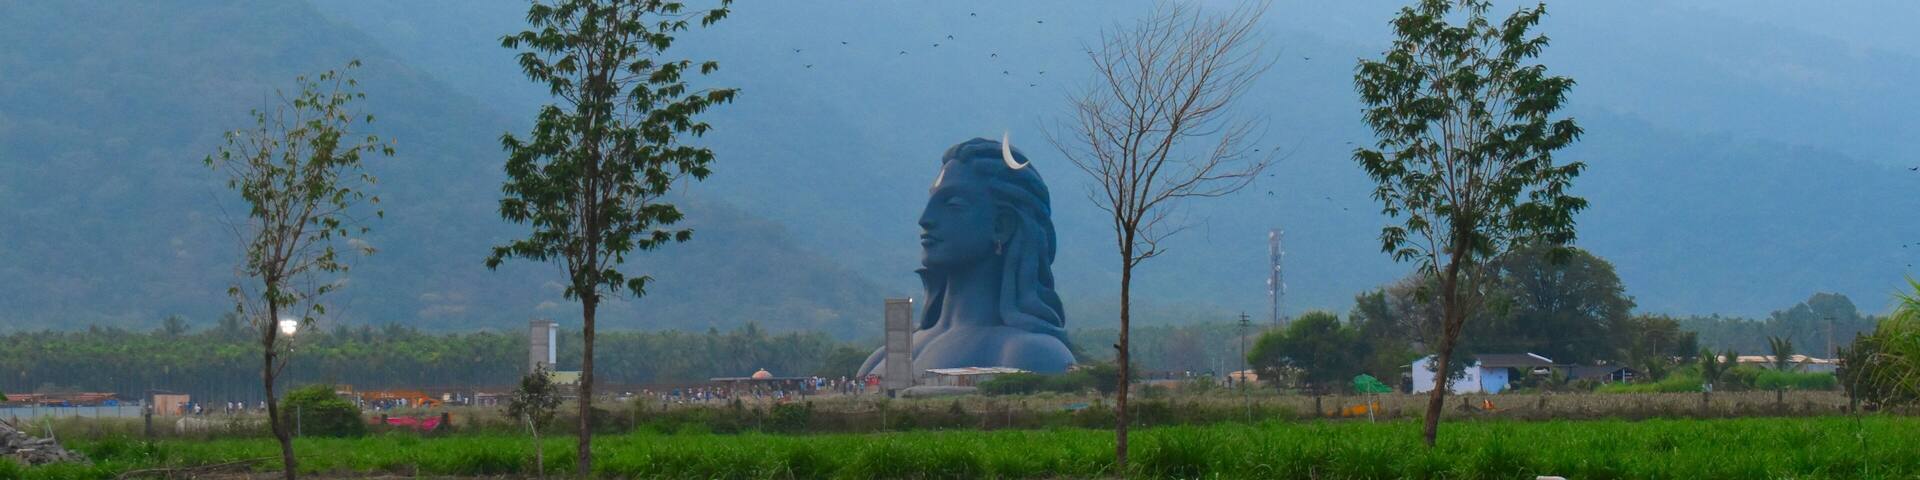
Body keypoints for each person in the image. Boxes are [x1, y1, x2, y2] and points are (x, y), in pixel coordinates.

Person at [859, 137, 1077, 376]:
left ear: (1001, 225)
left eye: (952, 204)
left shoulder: (1030, 353)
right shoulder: (885, 355)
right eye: (932, 200)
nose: (925, 219)